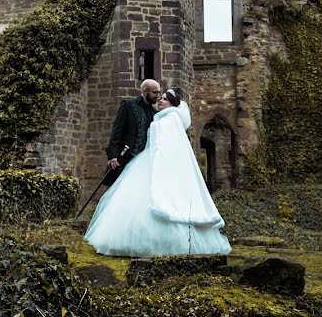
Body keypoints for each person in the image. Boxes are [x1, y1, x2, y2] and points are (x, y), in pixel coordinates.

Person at [85, 87, 232, 257]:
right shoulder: (163, 118)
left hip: (156, 160)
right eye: (159, 97)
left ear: (172, 104)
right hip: (148, 158)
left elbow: (166, 146)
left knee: (161, 199)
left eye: (164, 99)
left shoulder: (169, 120)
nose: (160, 100)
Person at [102, 79, 161, 187]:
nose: (157, 96)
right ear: (144, 91)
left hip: (143, 162)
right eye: (155, 92)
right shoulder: (128, 105)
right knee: (118, 190)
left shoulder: (155, 114)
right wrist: (113, 155)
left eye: (158, 92)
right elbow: (117, 131)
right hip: (124, 157)